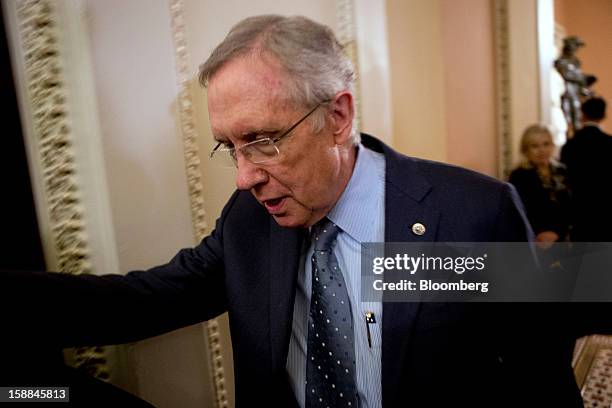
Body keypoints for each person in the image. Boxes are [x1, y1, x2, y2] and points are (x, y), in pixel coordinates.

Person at [0, 15, 598, 407]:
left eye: (263, 140)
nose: (245, 177)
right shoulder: (249, 221)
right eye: (229, 147)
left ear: (337, 116)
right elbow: (145, 298)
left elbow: (537, 382)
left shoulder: (471, 214)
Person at [509, 125, 571, 248]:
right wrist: (540, 234)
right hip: (533, 242)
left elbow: (570, 207)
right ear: (525, 150)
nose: (542, 150)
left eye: (546, 144)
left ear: (553, 145)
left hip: (563, 240)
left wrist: (556, 232)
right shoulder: (519, 175)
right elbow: (518, 212)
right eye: (535, 146)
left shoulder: (562, 171)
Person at [561, 97, 612, 242]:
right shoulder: (610, 143)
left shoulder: (570, 145)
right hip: (606, 213)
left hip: (579, 213)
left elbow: (564, 180)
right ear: (603, 115)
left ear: (582, 114)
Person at [554, 36, 597, 136]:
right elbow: (565, 74)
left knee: (577, 120)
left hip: (575, 94)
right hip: (567, 94)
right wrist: (581, 78)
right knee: (567, 120)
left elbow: (578, 78)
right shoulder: (561, 61)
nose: (576, 50)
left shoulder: (576, 62)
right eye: (576, 46)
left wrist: (585, 86)